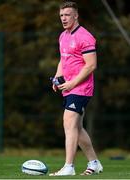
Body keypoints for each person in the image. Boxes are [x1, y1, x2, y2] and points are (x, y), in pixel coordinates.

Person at [49, 1, 103, 176]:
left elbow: (91, 65)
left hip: (82, 88)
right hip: (69, 88)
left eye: (67, 15)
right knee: (77, 129)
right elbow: (63, 60)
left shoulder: (85, 37)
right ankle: (94, 163)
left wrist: (72, 83)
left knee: (68, 121)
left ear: (76, 15)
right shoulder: (63, 36)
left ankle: (69, 167)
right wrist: (58, 77)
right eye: (61, 15)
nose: (64, 19)